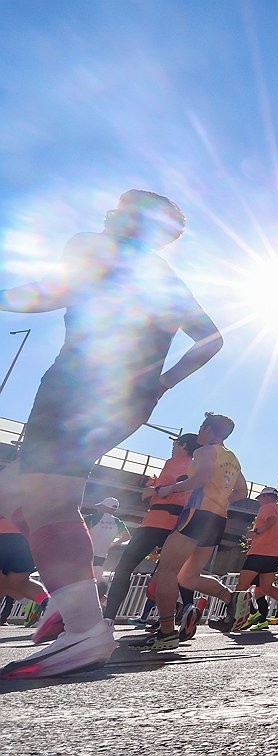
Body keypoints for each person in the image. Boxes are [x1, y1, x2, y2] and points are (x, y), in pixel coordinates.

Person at [0, 190, 224, 679]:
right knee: (21, 497)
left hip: (79, 384)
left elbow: (53, 292)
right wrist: (161, 384)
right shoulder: (167, 278)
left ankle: (83, 627)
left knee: (48, 501)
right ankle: (70, 599)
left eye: (121, 209)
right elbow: (212, 338)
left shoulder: (93, 246)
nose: (108, 212)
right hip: (129, 395)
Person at [131, 413, 253, 651]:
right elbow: (242, 491)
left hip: (196, 515)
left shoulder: (205, 450)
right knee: (188, 577)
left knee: (166, 571)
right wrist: (219, 499)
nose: (199, 432)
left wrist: (168, 489)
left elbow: (201, 479)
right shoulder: (232, 458)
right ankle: (232, 599)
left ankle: (166, 632)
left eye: (200, 427)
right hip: (218, 519)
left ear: (208, 430)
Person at [105, 434, 202, 624]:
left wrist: (155, 490)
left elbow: (157, 493)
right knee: (172, 574)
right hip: (175, 525)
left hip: (156, 523)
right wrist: (155, 489)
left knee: (125, 568)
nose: (172, 446)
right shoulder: (189, 465)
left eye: (175, 443)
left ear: (184, 445)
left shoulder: (182, 464)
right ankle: (185, 612)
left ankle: (108, 618)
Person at [236, 488, 278, 630]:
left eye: (260, 497)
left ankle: (240, 617)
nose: (259, 500)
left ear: (267, 497)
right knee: (266, 588)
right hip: (273, 554)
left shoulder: (267, 508)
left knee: (241, 587)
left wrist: (256, 532)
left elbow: (271, 521)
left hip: (259, 553)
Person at [84, 498, 129, 603]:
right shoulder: (117, 522)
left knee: (81, 581)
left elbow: (82, 532)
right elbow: (127, 536)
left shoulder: (92, 518)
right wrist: (112, 544)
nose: (98, 508)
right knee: (96, 582)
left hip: (86, 553)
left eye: (100, 506)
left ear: (104, 507)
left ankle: (93, 604)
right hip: (102, 555)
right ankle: (102, 603)